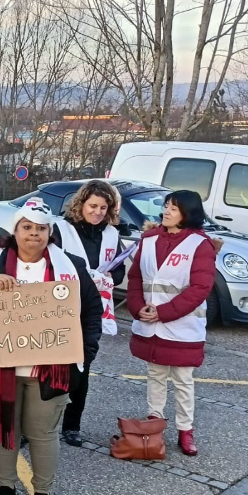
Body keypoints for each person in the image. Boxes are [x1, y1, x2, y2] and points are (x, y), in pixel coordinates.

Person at [0, 199, 102, 495]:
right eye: (27, 228)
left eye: (40, 229)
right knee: (5, 430)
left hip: (49, 372)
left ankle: (43, 493)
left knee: (42, 433)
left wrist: (84, 353)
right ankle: (5, 487)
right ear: (16, 230)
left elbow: (92, 312)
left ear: (50, 232)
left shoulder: (71, 266)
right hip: (2, 368)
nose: (33, 235)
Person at [126, 189, 218, 457]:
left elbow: (200, 288)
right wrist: (136, 307)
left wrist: (163, 312)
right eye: (166, 206)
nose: (166, 211)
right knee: (155, 375)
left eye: (173, 208)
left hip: (182, 327)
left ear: (187, 213)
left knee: (182, 379)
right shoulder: (150, 238)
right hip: (150, 324)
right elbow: (135, 279)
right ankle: (154, 425)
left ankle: (185, 430)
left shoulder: (200, 244)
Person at [49, 180, 123, 447]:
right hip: (60, 306)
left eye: (104, 207)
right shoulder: (61, 229)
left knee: (81, 370)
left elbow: (120, 270)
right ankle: (35, 428)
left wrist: (109, 276)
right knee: (46, 369)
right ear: (81, 204)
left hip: (91, 309)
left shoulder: (112, 234)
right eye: (93, 206)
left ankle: (72, 426)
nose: (98, 212)